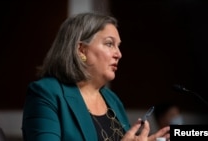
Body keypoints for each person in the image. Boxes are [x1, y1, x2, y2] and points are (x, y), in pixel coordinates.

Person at [22, 12, 170, 141]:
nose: (119, 54)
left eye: (118, 46)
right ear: (81, 50)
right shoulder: (46, 93)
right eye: (109, 44)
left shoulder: (112, 99)